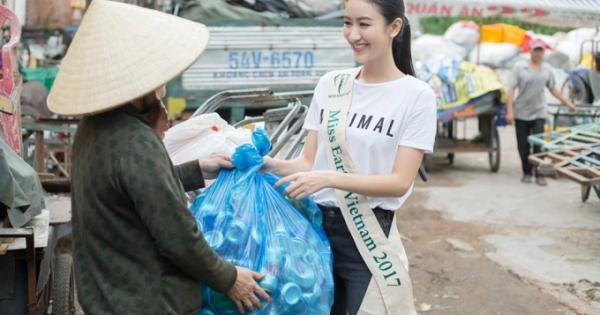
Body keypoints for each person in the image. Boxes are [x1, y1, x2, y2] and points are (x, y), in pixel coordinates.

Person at [46, 1, 269, 314]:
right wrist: (230, 278)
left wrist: (195, 170)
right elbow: (178, 236)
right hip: (146, 301)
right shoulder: (135, 141)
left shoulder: (94, 126)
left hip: (106, 294)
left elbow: (131, 191)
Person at [262, 0, 436, 314]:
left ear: (394, 27)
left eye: (364, 24)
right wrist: (264, 164)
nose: (353, 34)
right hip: (314, 231)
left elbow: (399, 182)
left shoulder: (416, 96)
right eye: (347, 23)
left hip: (367, 239)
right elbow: (307, 162)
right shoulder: (331, 85)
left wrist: (329, 178)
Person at [505, 38, 577, 186]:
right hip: (522, 112)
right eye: (534, 50)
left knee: (538, 145)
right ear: (530, 51)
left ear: (543, 52)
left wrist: (568, 103)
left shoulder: (547, 69)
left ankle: (539, 174)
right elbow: (511, 89)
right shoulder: (520, 68)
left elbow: (552, 88)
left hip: (539, 112)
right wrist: (510, 111)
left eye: (540, 50)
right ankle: (526, 172)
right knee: (523, 145)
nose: (537, 53)